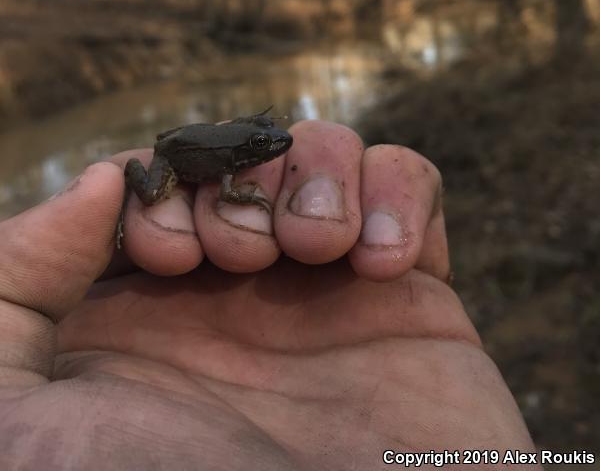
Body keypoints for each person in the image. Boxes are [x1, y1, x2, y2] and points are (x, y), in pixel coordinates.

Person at [0, 120, 539, 469]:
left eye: (270, 139)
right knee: (152, 192)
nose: (278, 149)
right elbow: (227, 187)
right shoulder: (233, 166)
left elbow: (253, 156)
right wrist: (243, 195)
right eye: (264, 145)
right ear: (248, 151)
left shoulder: (248, 154)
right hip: (176, 153)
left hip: (193, 138)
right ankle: (131, 198)